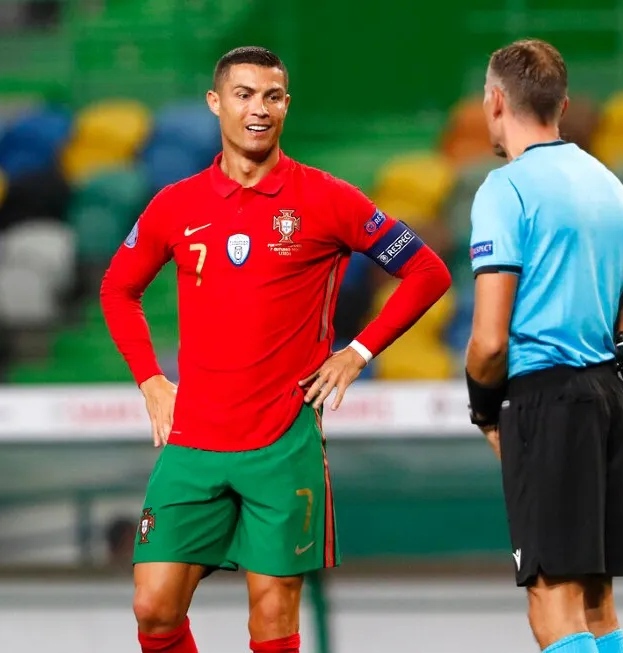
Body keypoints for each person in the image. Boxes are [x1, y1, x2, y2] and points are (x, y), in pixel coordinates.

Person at [100, 46, 452, 653]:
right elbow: (117, 289)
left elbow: (426, 271)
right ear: (216, 103)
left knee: (271, 614)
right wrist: (151, 381)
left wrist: (358, 351)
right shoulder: (176, 204)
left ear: (286, 104)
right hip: (193, 440)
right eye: (243, 94)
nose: (258, 109)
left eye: (272, 96)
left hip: (281, 440)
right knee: (153, 607)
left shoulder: (328, 198)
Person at [463, 39, 623, 653]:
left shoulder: (504, 190)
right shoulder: (612, 187)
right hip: (608, 397)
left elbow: (490, 340)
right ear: (562, 105)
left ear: (494, 100)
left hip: (546, 399)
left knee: (552, 597)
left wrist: (484, 408)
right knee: (597, 598)